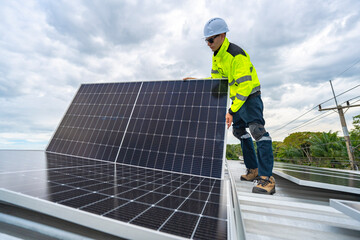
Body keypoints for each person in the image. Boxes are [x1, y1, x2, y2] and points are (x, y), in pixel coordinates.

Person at [184, 17, 275, 195]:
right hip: (238, 100)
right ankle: (253, 170)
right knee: (239, 132)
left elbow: (245, 86)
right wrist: (198, 82)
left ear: (222, 36)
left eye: (211, 39)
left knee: (258, 132)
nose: (208, 43)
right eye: (206, 40)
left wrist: (231, 111)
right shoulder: (217, 56)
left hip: (250, 97)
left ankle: (267, 179)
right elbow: (218, 81)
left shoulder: (236, 55)